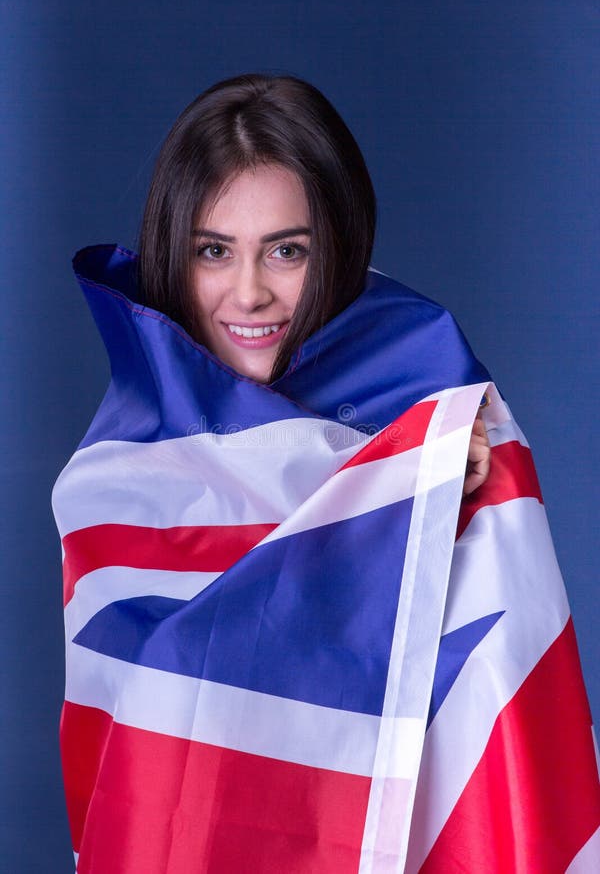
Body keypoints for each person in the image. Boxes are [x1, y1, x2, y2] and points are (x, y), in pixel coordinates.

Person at [53, 74, 599, 872]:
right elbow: (140, 736)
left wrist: (433, 489)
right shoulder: (121, 472)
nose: (249, 292)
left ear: (336, 245)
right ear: (176, 251)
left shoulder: (435, 413)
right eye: (214, 251)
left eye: (286, 250)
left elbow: (497, 699)